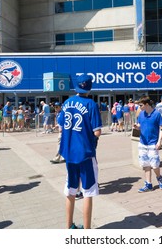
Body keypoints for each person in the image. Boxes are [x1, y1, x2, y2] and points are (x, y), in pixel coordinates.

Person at [58, 74, 102, 229]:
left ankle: (68, 226)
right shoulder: (91, 104)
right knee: (88, 192)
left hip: (69, 152)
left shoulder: (67, 102)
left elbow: (61, 125)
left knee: (70, 190)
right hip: (85, 153)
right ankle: (87, 230)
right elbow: (97, 132)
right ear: (89, 87)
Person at [133, 95, 162, 193]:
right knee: (145, 164)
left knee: (155, 165)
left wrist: (159, 141)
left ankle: (159, 178)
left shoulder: (157, 114)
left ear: (147, 104)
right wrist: (137, 127)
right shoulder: (141, 114)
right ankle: (148, 184)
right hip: (143, 143)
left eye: (141, 105)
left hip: (153, 143)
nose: (139, 107)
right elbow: (140, 126)